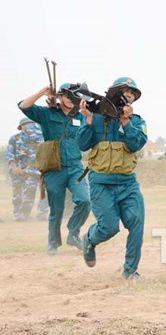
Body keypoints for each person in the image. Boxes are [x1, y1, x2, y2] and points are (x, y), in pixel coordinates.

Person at [77, 77, 147, 280]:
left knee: (136, 224)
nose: (129, 96)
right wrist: (88, 120)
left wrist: (126, 121)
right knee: (108, 228)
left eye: (133, 94)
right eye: (125, 91)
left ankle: (130, 271)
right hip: (101, 184)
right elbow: (82, 144)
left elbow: (136, 145)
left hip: (128, 183)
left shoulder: (137, 121)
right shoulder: (95, 116)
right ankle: (89, 240)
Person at [18, 84, 91, 255]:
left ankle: (73, 233)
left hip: (75, 167)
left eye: (75, 97)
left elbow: (89, 135)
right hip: (54, 168)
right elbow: (23, 106)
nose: (71, 100)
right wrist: (41, 92)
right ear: (60, 97)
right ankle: (53, 243)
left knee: (85, 200)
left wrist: (89, 116)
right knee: (56, 209)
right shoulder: (47, 114)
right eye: (68, 96)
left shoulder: (80, 117)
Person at [6, 118, 49, 221]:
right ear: (21, 127)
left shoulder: (42, 138)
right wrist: (15, 168)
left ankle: (40, 215)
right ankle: (19, 215)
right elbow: (10, 155)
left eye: (32, 124)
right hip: (17, 170)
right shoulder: (15, 139)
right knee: (18, 194)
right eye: (27, 125)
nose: (31, 127)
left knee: (40, 193)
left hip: (36, 171)